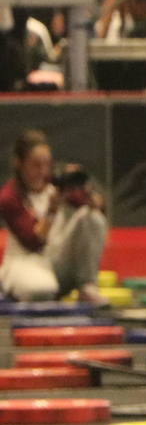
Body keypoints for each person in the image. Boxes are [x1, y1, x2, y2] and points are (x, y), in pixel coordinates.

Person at [0, 130, 108, 304]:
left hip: (56, 261)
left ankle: (87, 285)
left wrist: (85, 189)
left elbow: (99, 210)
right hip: (25, 262)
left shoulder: (56, 184)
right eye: (36, 165)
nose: (43, 171)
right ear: (19, 163)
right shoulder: (9, 196)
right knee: (41, 290)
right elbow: (34, 242)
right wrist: (52, 210)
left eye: (47, 164)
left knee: (92, 217)